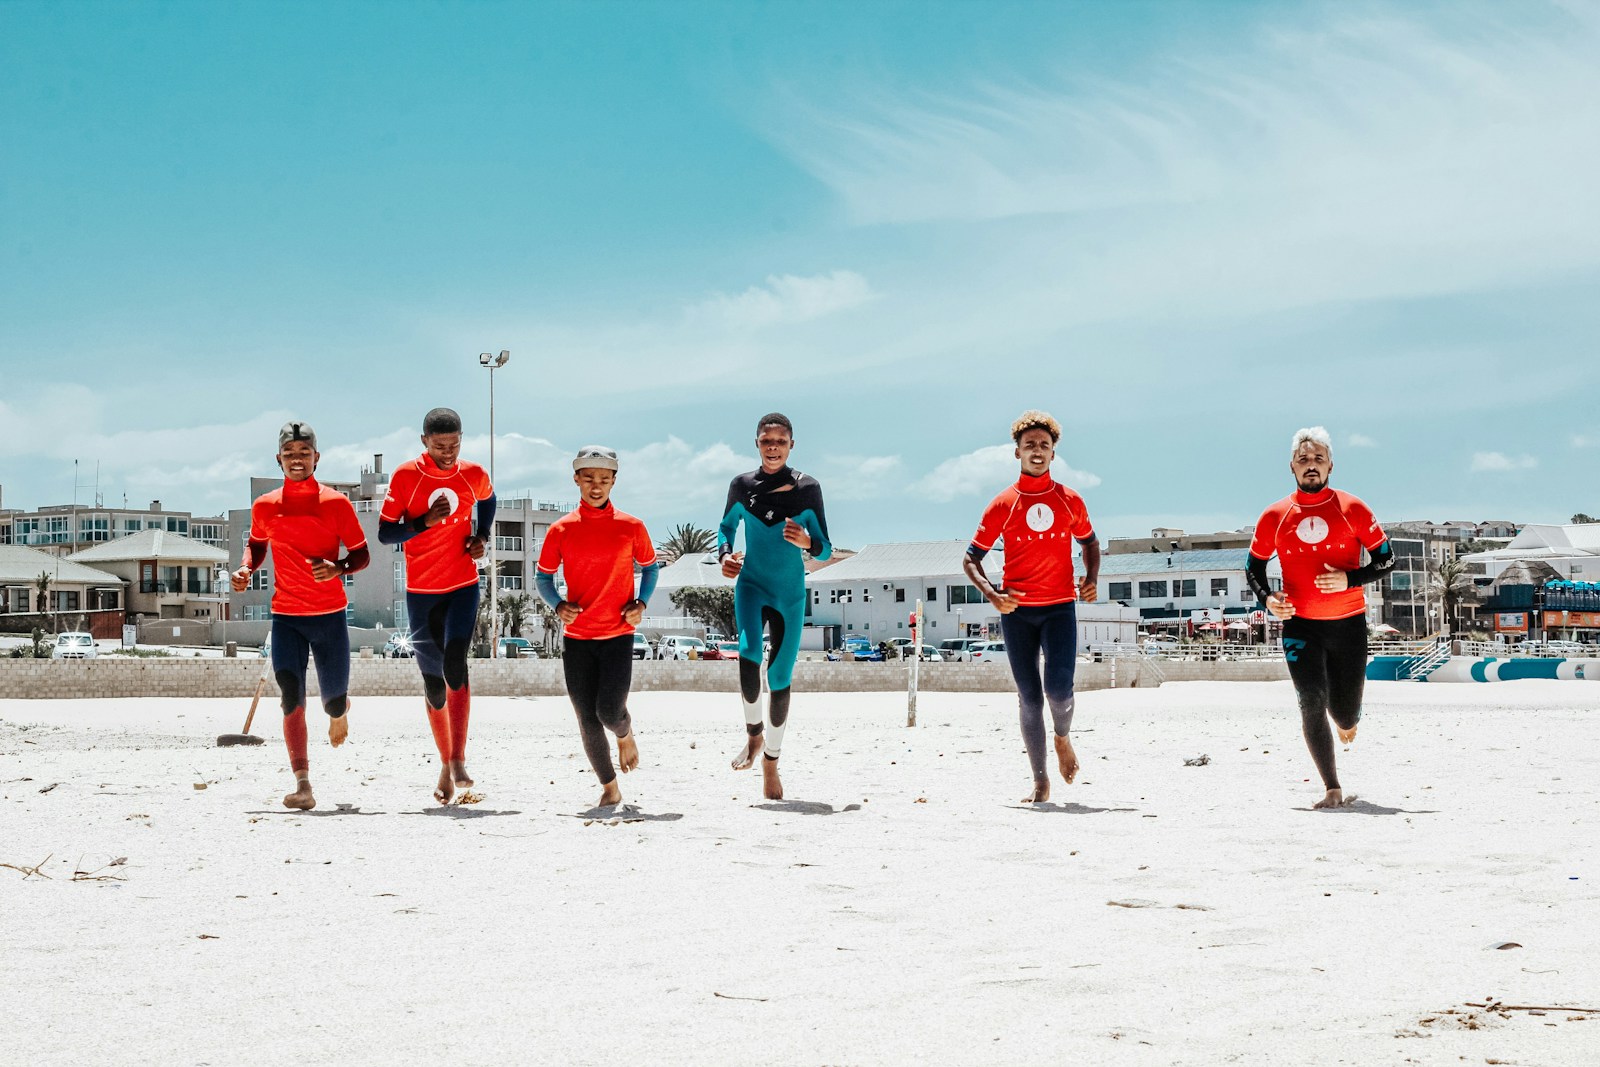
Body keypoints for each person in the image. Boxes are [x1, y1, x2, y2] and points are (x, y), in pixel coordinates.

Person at [1246, 426, 1394, 809]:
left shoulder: (1353, 509)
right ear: (1291, 467)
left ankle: (1348, 721)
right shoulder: (1275, 515)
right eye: (1303, 459)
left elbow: (1386, 560)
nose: (1311, 466)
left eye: (1318, 459)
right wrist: (1268, 600)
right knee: (1311, 699)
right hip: (1300, 625)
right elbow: (1253, 568)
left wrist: (1350, 578)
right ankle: (1331, 786)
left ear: (1331, 466)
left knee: (1343, 712)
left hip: (1348, 626)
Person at [963, 410, 1100, 804]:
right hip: (1017, 613)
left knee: (1058, 691)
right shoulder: (1002, 504)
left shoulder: (1069, 499)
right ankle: (1040, 780)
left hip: (1059, 608)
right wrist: (992, 594)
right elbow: (971, 558)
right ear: (1017, 453)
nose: (1037, 452)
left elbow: (1089, 543)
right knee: (1029, 698)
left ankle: (1062, 738)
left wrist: (1090, 579)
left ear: (1054, 453)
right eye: (1029, 446)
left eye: (1044, 445)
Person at [232, 421, 370, 811]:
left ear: (316, 458)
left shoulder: (336, 504)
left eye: (304, 453)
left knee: (332, 702)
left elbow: (361, 555)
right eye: (290, 454)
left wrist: (339, 568)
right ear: (279, 459)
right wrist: (247, 569)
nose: (297, 460)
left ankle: (340, 710)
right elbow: (257, 546)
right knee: (291, 701)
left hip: (329, 617)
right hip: (286, 617)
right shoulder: (265, 506)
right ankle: (303, 784)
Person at [377, 407, 495, 805]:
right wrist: (424, 522)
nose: (448, 452)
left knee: (455, 663)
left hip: (462, 584)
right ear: (424, 440)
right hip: (421, 592)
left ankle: (459, 759)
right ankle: (444, 763)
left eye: (455, 444)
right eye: (440, 445)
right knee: (432, 684)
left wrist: (481, 536)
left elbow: (489, 500)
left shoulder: (472, 473)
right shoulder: (406, 477)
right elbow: (384, 533)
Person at [535, 446, 660, 808]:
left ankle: (625, 732)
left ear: (614, 481)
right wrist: (558, 605)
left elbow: (650, 568)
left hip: (618, 636)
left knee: (609, 711)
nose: (596, 485)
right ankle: (609, 786)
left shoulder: (632, 526)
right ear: (576, 479)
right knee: (587, 720)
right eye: (588, 478)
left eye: (604, 479)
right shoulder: (561, 529)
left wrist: (641, 603)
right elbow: (543, 578)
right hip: (577, 641)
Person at [718, 412, 832, 800]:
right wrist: (724, 556)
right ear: (757, 443)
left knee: (779, 676)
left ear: (791, 445)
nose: (773, 447)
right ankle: (753, 736)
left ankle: (771, 760)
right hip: (751, 584)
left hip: (789, 592)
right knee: (748, 653)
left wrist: (807, 543)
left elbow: (826, 546)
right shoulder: (742, 485)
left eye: (780, 442)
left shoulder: (807, 488)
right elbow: (725, 528)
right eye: (766, 441)